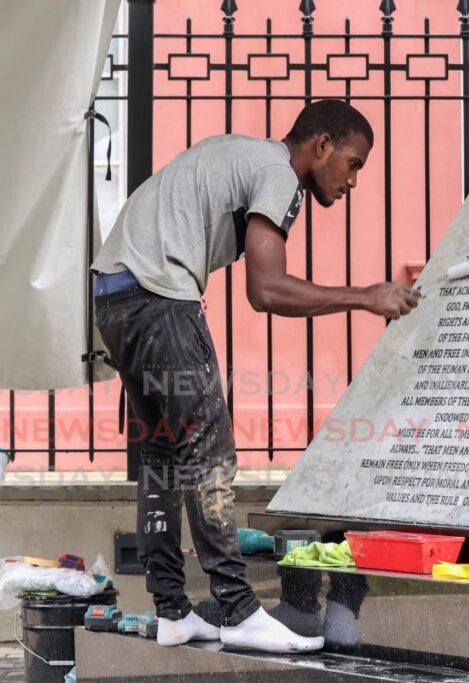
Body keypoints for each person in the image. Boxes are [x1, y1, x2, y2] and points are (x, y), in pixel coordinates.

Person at [91, 99, 419, 654]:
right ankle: (240, 611)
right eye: (353, 163)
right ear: (320, 146)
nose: (353, 180)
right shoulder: (277, 172)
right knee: (207, 453)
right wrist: (367, 296)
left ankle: (172, 610)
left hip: (114, 299)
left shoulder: (240, 155)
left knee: (164, 454)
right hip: (159, 298)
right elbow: (266, 289)